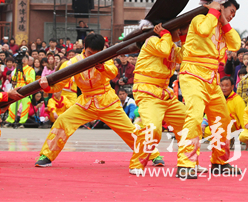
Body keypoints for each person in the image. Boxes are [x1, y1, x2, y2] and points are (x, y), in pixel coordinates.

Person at [35, 33, 162, 168]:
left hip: (107, 102)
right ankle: (47, 155)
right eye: (90, 52)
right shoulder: (72, 63)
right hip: (85, 103)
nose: (92, 56)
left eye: (96, 53)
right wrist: (47, 87)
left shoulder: (105, 59)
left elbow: (113, 73)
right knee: (62, 121)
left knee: (129, 131)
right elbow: (59, 84)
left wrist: (101, 66)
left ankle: (153, 154)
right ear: (84, 47)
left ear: (101, 51)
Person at [176, 0, 242, 179]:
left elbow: (236, 44)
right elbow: (205, 30)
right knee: (195, 116)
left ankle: (220, 161)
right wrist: (214, 11)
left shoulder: (222, 27)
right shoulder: (199, 20)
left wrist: (224, 20)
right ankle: (186, 163)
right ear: (221, 7)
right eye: (231, 11)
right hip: (193, 74)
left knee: (222, 119)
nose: (233, 16)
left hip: (212, 79)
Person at [128, 23, 187, 174]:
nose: (180, 30)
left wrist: (184, 37)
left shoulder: (171, 45)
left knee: (189, 123)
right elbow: (164, 50)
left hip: (164, 93)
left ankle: (189, 162)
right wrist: (166, 34)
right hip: (147, 92)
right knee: (152, 129)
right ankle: (136, 164)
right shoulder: (152, 41)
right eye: (178, 28)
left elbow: (185, 57)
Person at [5, 55, 35, 125]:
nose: (24, 60)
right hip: (17, 87)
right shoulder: (17, 69)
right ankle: (10, 120)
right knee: (13, 104)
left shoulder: (31, 69)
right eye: (23, 59)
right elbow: (13, 79)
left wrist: (25, 78)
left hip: (26, 88)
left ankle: (22, 122)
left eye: (25, 59)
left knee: (25, 105)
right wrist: (15, 75)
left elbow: (32, 80)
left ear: (28, 61)